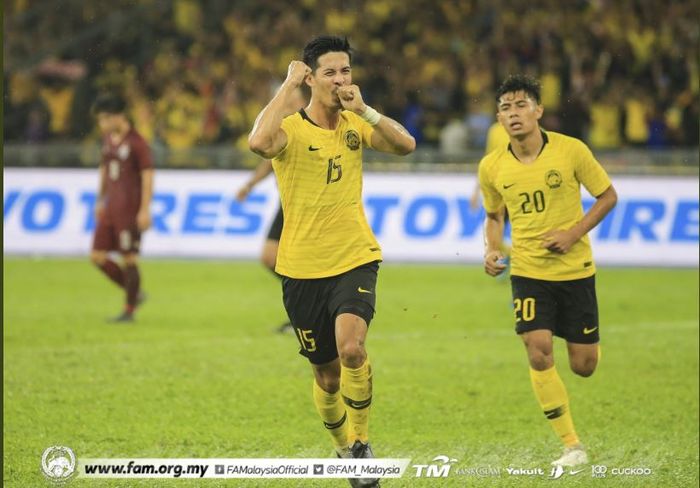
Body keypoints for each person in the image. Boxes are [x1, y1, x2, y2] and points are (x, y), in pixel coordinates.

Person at [249, 35, 415, 487]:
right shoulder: (291, 129)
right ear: (311, 77)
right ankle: (344, 450)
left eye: (345, 71)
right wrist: (287, 84)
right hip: (300, 268)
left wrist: (367, 110)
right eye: (330, 72)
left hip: (354, 257)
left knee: (351, 349)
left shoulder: (355, 123)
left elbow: (406, 145)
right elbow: (258, 141)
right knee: (326, 376)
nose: (340, 80)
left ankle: (361, 444)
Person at [478, 75, 617, 467]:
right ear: (499, 118)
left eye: (521, 105)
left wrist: (573, 233)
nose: (513, 113)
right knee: (537, 352)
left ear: (538, 110)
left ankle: (582, 348)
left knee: (583, 365)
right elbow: (493, 215)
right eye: (505, 108)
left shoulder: (571, 151)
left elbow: (608, 196)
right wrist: (491, 249)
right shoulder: (492, 166)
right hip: (528, 270)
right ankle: (572, 445)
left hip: (575, 271)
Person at [236, 88, 306, 334]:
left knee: (296, 260)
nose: (287, 103)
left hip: (306, 204)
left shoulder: (309, 124)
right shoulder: (282, 126)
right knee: (270, 257)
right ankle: (309, 306)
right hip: (286, 202)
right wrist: (250, 185)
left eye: (292, 99)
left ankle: (308, 314)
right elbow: (269, 158)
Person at [90, 93, 154, 323]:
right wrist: (100, 200)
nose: (102, 125)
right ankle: (135, 293)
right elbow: (104, 170)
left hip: (129, 208)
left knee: (129, 259)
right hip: (110, 208)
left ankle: (129, 310)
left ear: (119, 116)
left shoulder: (137, 143)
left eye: (105, 119)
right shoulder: (108, 140)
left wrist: (145, 209)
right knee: (97, 257)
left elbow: (148, 176)